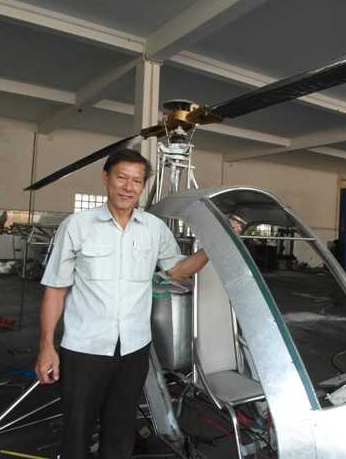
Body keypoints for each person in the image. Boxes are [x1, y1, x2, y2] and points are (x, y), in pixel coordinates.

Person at [34, 148, 208, 459]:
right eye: (121, 177)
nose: (128, 187)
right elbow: (55, 291)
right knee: (76, 433)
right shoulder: (77, 226)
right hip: (85, 349)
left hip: (133, 350)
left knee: (120, 432)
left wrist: (213, 248)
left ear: (143, 186)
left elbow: (178, 270)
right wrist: (47, 346)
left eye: (137, 181)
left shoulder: (154, 228)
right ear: (106, 177)